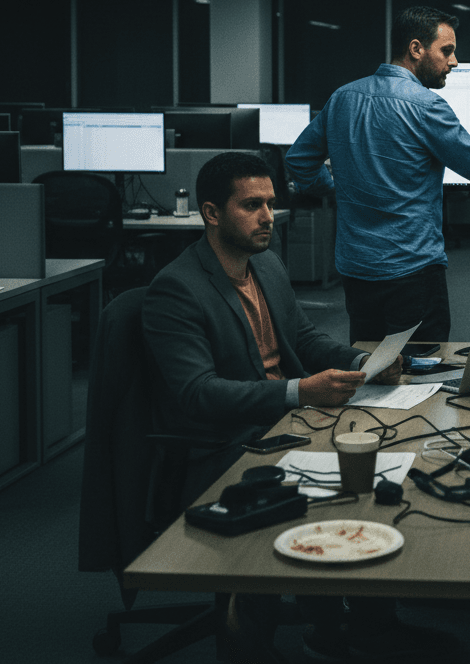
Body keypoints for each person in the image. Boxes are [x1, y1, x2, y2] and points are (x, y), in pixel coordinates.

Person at [143, 151, 406, 661]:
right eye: (252, 205)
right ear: (212, 213)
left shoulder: (264, 262)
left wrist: (363, 360)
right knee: (338, 490)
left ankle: (363, 628)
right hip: (221, 446)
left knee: (380, 468)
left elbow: (302, 338)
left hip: (287, 422)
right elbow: (198, 392)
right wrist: (298, 392)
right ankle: (266, 636)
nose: (268, 216)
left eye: (270, 202)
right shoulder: (177, 288)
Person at [285, 5, 470, 344]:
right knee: (422, 368)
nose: (454, 62)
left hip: (356, 269)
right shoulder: (426, 106)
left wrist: (335, 189)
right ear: (415, 49)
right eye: (447, 51)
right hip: (411, 270)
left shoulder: (342, 97)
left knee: (370, 364)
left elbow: (298, 161)